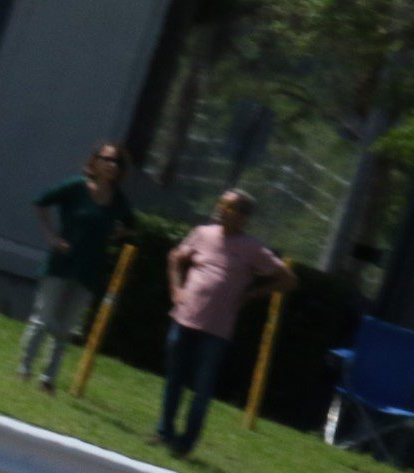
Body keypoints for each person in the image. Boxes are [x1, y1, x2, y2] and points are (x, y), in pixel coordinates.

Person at [157, 189, 296, 455]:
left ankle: (185, 443)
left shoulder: (252, 249)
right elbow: (175, 258)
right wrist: (176, 290)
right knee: (174, 378)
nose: (221, 209)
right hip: (184, 319)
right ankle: (164, 432)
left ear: (243, 216)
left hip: (217, 331)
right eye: (221, 204)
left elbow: (288, 279)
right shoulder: (203, 233)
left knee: (202, 389)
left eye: (229, 207)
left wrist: (253, 294)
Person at [17, 143, 136, 393]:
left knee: (66, 326)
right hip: (61, 263)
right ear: (95, 161)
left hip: (88, 270)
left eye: (118, 163)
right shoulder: (75, 187)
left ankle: (47, 378)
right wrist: (51, 236)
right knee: (44, 319)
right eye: (108, 160)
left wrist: (117, 233)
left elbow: (131, 227)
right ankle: (24, 369)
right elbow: (40, 202)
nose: (112, 166)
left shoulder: (118, 201)